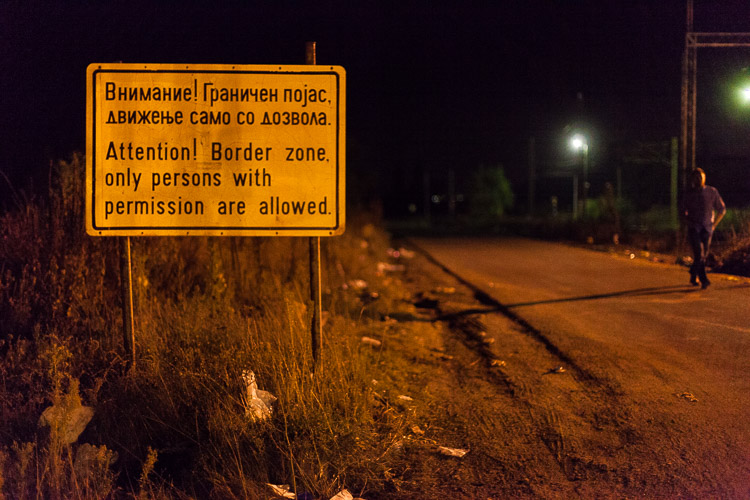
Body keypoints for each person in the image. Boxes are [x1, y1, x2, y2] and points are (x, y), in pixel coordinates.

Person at [681, 168, 726, 288]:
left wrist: (714, 224)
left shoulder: (711, 192)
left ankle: (693, 273)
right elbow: (682, 211)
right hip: (694, 227)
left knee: (702, 256)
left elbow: (721, 209)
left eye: (700, 177)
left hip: (707, 228)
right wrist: (687, 221)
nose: (698, 180)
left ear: (704, 178)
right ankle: (703, 279)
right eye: (696, 177)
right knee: (699, 253)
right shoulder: (689, 194)